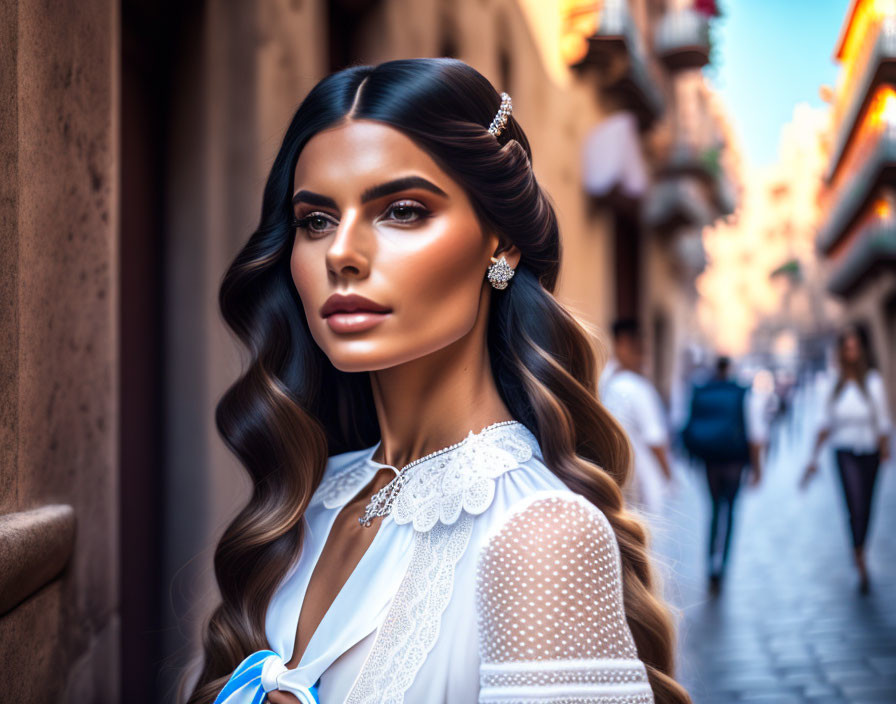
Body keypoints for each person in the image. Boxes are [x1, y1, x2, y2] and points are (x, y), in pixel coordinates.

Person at [179, 58, 691, 704]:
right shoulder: (318, 500)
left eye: (401, 210)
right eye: (316, 220)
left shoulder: (543, 541)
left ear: (500, 244)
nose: (341, 252)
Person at [801, 324, 892, 593]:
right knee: (854, 504)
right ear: (841, 351)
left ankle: (862, 546)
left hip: (871, 452)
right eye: (846, 347)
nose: (851, 351)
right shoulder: (831, 384)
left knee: (868, 505)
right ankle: (859, 556)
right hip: (844, 451)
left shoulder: (873, 382)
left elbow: (883, 420)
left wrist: (886, 449)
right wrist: (813, 458)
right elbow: (823, 424)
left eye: (855, 347)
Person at [681, 356, 764, 594]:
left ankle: (710, 565)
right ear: (730, 369)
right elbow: (755, 434)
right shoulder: (741, 393)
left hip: (710, 461)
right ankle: (723, 566)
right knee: (730, 510)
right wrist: (758, 469)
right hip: (735, 461)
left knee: (714, 509)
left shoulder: (703, 390)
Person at [598, 318, 674, 519]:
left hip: (618, 476)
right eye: (638, 348)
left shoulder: (604, 381)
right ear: (622, 344)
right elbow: (655, 439)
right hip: (642, 480)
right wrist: (668, 476)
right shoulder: (636, 387)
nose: (642, 355)